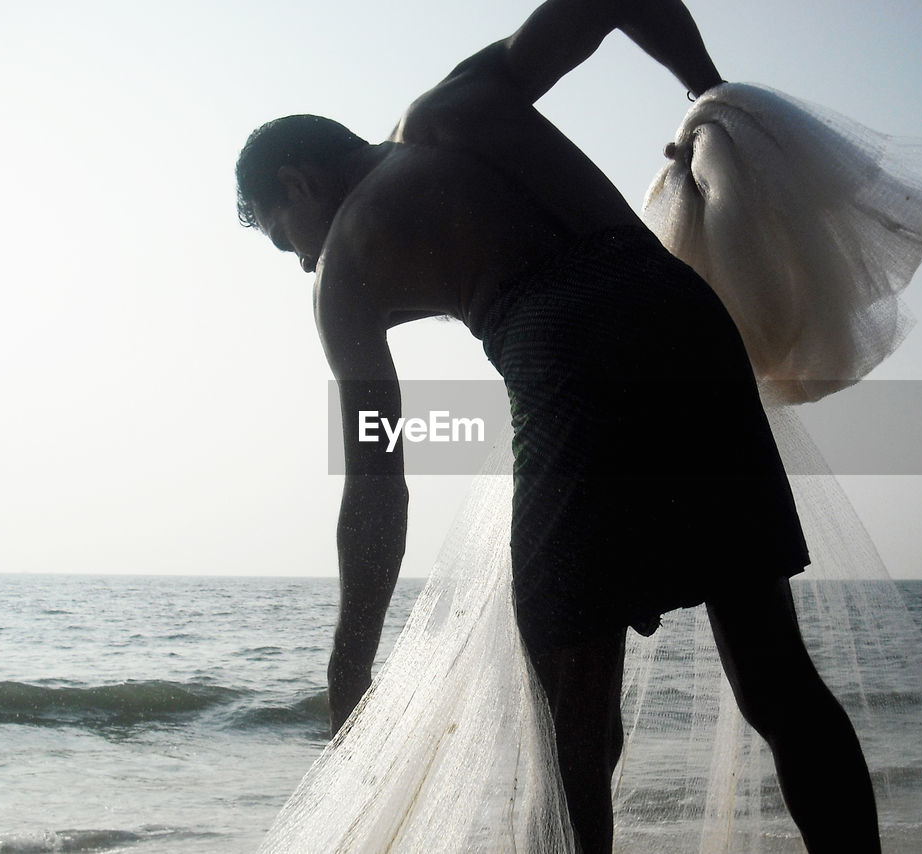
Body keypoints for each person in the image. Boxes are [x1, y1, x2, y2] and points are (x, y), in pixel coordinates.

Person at [235, 1, 881, 850]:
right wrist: (708, 94)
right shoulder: (456, 104)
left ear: (298, 182)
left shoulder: (346, 267)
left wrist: (350, 659)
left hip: (570, 363)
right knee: (774, 677)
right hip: (686, 324)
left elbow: (377, 474)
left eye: (289, 243)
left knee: (571, 733)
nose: (306, 263)